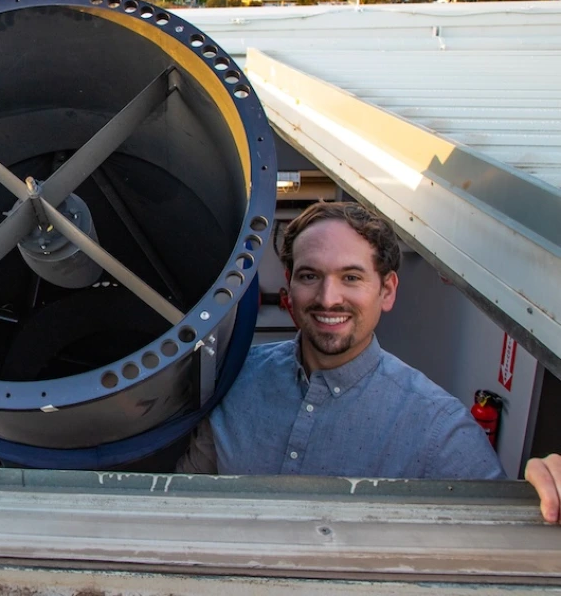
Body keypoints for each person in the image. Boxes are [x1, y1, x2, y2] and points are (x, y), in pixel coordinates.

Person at [180, 201, 560, 524]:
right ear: (289, 285)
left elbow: (501, 533)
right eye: (310, 275)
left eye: (351, 277)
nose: (328, 298)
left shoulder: (438, 427)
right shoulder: (234, 377)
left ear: (387, 290)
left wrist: (545, 487)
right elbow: (184, 500)